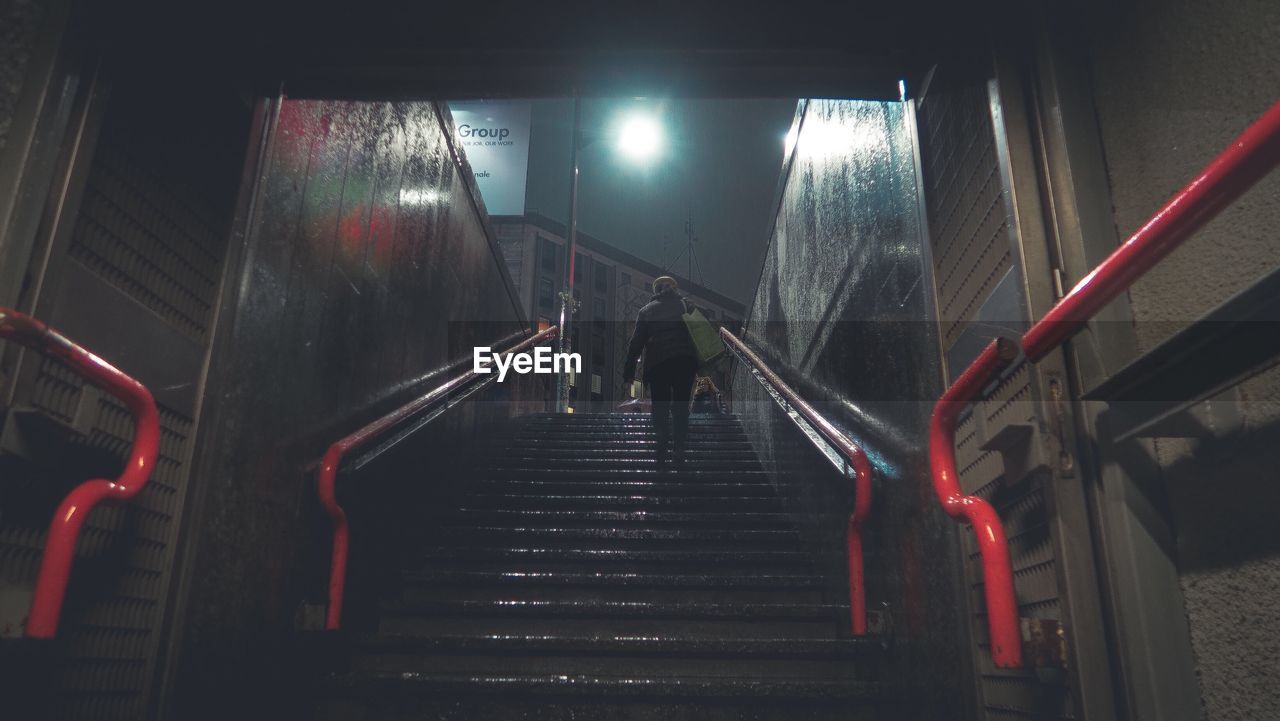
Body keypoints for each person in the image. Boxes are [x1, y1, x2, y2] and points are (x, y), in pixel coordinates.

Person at [622, 276, 699, 466]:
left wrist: (629, 371)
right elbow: (700, 327)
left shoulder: (646, 311)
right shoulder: (685, 305)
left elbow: (636, 344)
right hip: (684, 361)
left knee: (661, 407)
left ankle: (662, 444)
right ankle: (679, 448)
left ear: (655, 291)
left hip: (658, 364)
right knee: (681, 407)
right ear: (674, 289)